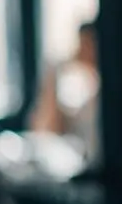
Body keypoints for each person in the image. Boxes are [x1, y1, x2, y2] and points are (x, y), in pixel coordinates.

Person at [29, 19, 101, 169]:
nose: (81, 50)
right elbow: (46, 130)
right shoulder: (87, 101)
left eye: (87, 45)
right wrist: (54, 72)